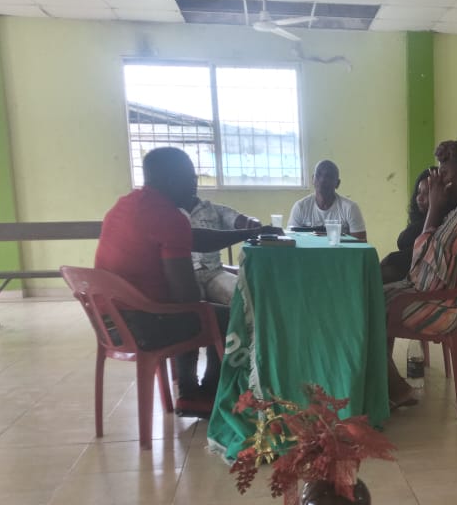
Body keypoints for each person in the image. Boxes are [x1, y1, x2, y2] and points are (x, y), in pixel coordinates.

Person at [95, 147, 267, 417]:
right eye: (191, 178)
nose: (195, 185)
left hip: (110, 323)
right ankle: (203, 393)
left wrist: (249, 233)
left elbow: (193, 237)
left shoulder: (124, 206)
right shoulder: (169, 217)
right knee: (225, 315)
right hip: (143, 325)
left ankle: (190, 392)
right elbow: (186, 296)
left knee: (202, 311)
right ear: (171, 180)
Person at [384, 133, 457, 408]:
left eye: (447, 170)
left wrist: (435, 207)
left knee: (369, 307)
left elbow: (425, 257)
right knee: (373, 296)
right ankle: (387, 384)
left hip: (441, 306)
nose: (441, 176)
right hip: (434, 295)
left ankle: (394, 388)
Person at [380, 167, 452, 285]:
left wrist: (391, 258)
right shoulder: (420, 221)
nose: (419, 198)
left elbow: (418, 252)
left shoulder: (440, 223)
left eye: (427, 193)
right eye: (419, 192)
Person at [187, 197, 260, 306]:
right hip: (184, 274)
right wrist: (249, 233)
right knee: (190, 303)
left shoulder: (212, 209)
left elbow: (239, 220)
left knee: (247, 294)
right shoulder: (170, 213)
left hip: (214, 273)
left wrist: (252, 223)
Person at [288, 159, 367, 239]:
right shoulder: (300, 207)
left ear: (337, 183)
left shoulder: (350, 208)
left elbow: (361, 243)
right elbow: (292, 241)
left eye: (329, 176)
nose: (322, 180)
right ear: (313, 179)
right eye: (318, 175)